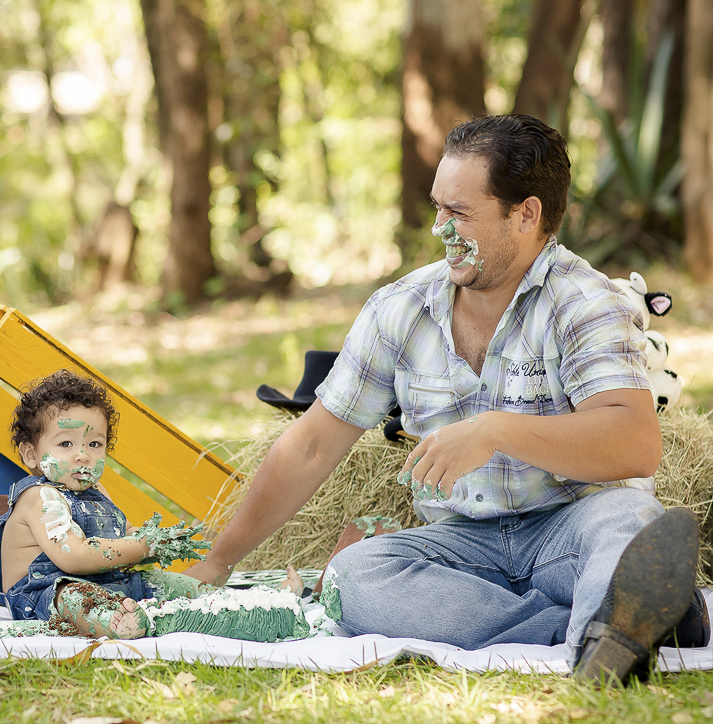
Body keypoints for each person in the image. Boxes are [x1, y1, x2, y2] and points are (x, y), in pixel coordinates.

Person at [185, 114, 704, 684]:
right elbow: (310, 445)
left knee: (628, 519)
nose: (441, 229)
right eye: (438, 208)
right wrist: (218, 561)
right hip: (463, 546)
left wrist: (497, 430)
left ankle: (611, 623)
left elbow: (635, 444)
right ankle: (599, 626)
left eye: (460, 213)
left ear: (526, 214)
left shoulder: (585, 301)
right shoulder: (399, 308)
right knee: (351, 577)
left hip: (571, 528)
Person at [0, 370, 293, 638]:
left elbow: (124, 532)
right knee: (73, 595)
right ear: (31, 453)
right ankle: (128, 621)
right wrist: (142, 546)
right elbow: (74, 558)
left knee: (169, 582)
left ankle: (247, 605)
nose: (83, 454)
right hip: (42, 597)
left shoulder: (96, 490)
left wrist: (154, 541)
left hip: (108, 583)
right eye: (66, 444)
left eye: (95, 444)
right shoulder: (39, 499)